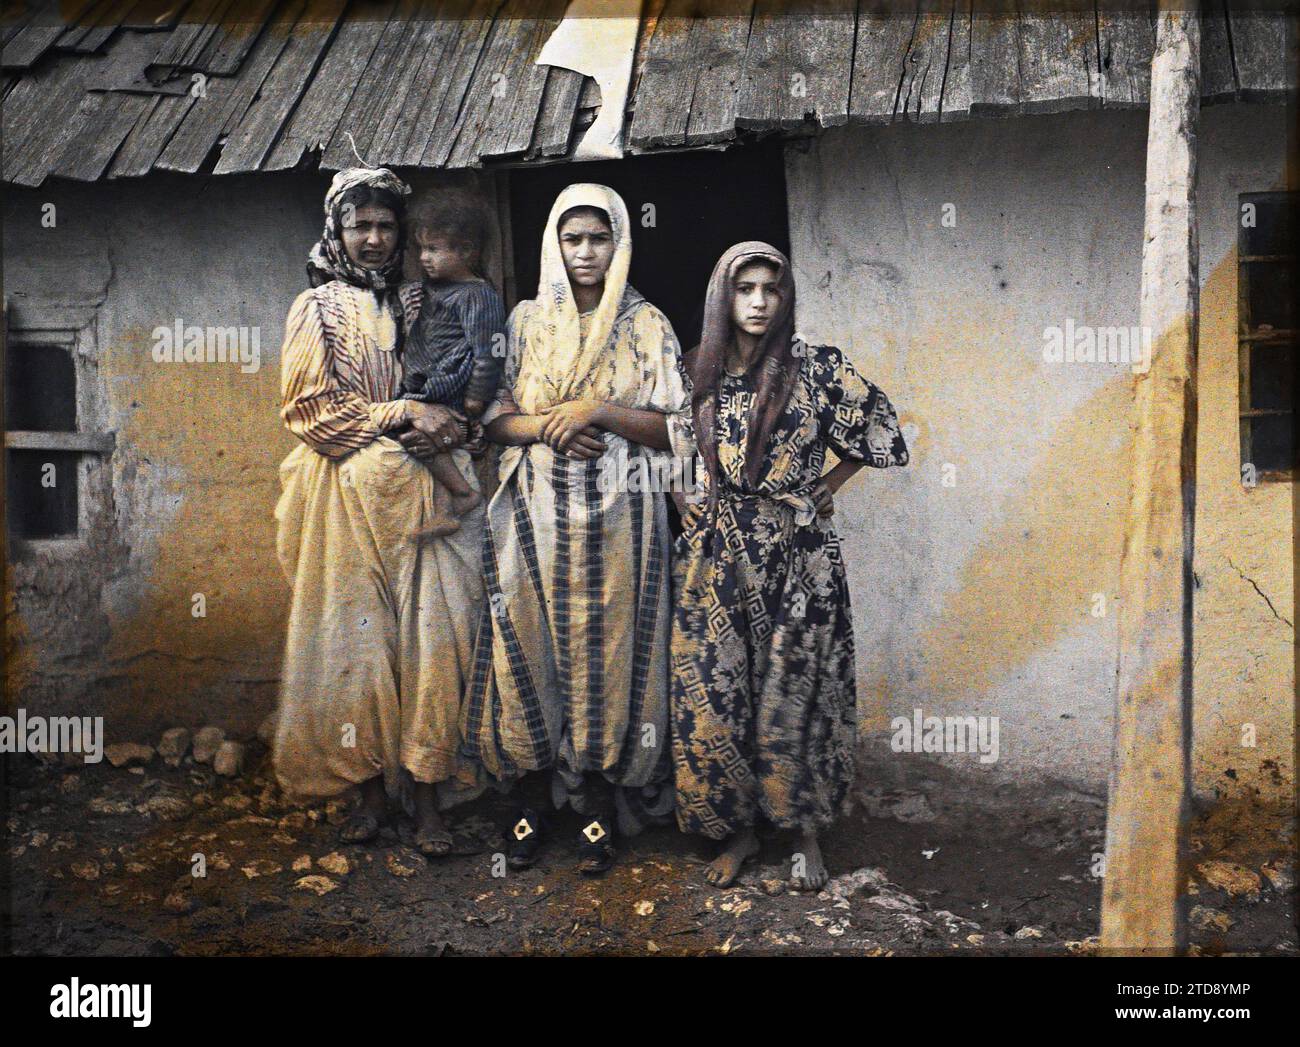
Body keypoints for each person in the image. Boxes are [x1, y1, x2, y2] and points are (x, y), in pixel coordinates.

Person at [462, 183, 694, 875]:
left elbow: (676, 427)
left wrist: (599, 410)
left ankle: (596, 807)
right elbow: (492, 420)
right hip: (531, 516)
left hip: (623, 521)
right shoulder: (528, 320)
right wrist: (550, 426)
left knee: (611, 654)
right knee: (528, 648)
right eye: (573, 238)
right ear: (553, 245)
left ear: (619, 244)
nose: (585, 252)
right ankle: (531, 802)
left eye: (599, 238)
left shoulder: (647, 323)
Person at [669, 242, 909, 889]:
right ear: (724, 296)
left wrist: (830, 481)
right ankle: (742, 832)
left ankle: (804, 834)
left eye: (769, 288)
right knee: (722, 693)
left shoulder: (817, 367)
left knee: (797, 694)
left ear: (785, 296)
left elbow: (883, 428)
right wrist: (681, 495)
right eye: (743, 288)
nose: (757, 301)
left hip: (797, 557)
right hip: (717, 558)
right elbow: (673, 446)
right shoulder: (698, 369)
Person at [273, 168, 484, 856]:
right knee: (356, 645)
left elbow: (468, 373)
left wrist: (449, 423)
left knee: (433, 641)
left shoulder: (430, 299)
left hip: (424, 491)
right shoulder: (317, 309)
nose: (372, 238)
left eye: (385, 225)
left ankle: (427, 796)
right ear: (337, 231)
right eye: (358, 225)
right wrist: (399, 411)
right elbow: (311, 412)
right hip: (344, 493)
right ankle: (367, 789)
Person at [399, 192, 507, 536]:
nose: (424, 258)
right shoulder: (433, 288)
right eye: (421, 249)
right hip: (425, 386)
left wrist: (475, 401)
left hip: (448, 386)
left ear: (465, 251)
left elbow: (489, 352)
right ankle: (448, 503)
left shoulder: (477, 295)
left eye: (433, 249)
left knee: (418, 433)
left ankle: (461, 495)